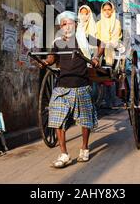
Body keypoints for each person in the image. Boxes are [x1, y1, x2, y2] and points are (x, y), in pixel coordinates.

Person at [39, 11, 104, 168]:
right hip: (61, 86)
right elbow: (52, 58)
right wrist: (46, 62)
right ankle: (63, 154)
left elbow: (101, 45)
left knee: (85, 119)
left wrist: (95, 57)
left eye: (69, 23)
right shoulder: (57, 42)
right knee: (56, 119)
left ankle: (84, 148)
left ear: (75, 24)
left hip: (81, 85)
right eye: (63, 24)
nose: (66, 26)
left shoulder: (83, 38)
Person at [96, 1, 122, 66]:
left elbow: (116, 37)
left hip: (113, 43)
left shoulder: (117, 22)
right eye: (105, 10)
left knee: (108, 45)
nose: (107, 12)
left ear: (112, 10)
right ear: (102, 11)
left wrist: (107, 42)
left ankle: (108, 65)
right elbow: (97, 36)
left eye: (109, 9)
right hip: (101, 43)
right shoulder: (98, 23)